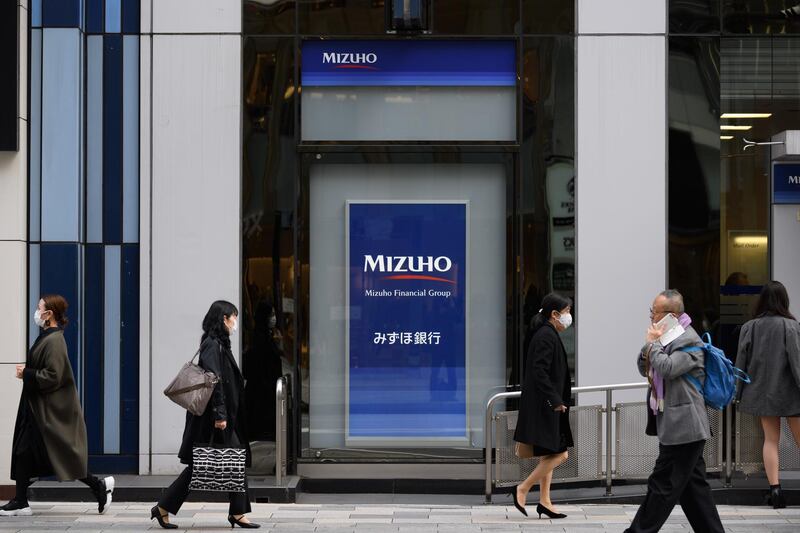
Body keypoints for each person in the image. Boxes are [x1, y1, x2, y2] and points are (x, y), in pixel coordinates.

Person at [1, 295, 114, 517]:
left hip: (45, 409)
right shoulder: (49, 337)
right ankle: (22, 500)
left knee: (48, 452)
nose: (36, 311)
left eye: (39, 307)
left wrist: (27, 373)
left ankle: (97, 486)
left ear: (49, 314)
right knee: (41, 453)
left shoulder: (54, 341)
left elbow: (53, 376)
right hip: (37, 406)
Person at [151, 300, 259, 529]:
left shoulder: (220, 344)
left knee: (230, 459)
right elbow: (214, 381)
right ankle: (164, 507)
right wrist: (220, 415)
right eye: (234, 317)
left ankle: (237, 512)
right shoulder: (212, 344)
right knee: (212, 462)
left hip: (221, 416)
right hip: (213, 419)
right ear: (224, 318)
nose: (235, 321)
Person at [624, 290, 724, 533]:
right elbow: (644, 366)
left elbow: (668, 368)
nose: (651, 316)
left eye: (654, 312)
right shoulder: (666, 337)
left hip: (685, 426)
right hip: (677, 425)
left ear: (670, 315)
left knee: (662, 485)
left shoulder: (689, 339)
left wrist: (652, 345)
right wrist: (651, 346)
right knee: (694, 490)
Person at [735, 280, 800, 509]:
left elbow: (740, 365)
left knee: (770, 440)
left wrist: (738, 393)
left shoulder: (750, 327)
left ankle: (775, 490)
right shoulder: (791, 327)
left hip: (762, 393)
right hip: (791, 393)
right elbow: (797, 363)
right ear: (784, 300)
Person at [512, 292, 574, 519]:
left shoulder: (547, 334)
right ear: (554, 314)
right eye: (567, 312)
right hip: (546, 406)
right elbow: (539, 371)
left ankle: (545, 501)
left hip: (547, 405)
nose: (569, 317)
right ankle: (523, 488)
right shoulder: (546, 336)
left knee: (549, 452)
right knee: (561, 454)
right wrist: (555, 400)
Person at [243, 301, 283, 441]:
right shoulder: (261, 340)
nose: (274, 317)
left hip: (263, 392)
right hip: (262, 394)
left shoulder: (267, 336)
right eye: (271, 314)